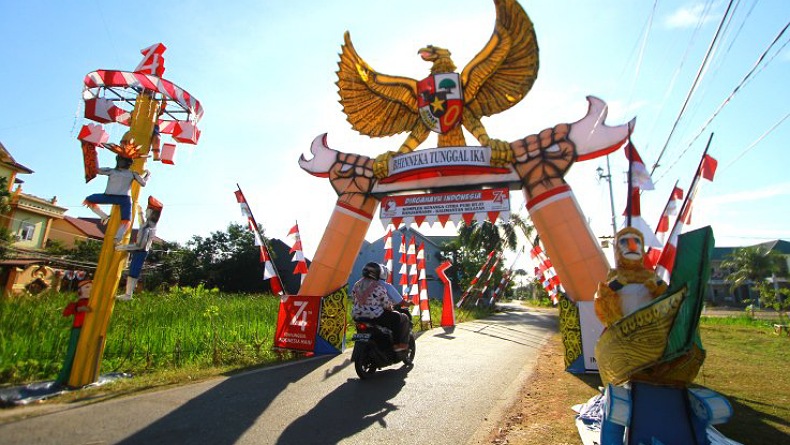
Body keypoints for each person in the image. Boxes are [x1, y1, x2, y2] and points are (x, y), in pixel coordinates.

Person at [83, 134, 150, 244]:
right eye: (120, 159)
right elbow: (95, 169)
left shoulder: (130, 173)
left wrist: (147, 176)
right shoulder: (113, 171)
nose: (121, 162)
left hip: (123, 199)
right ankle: (104, 216)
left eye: (123, 160)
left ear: (128, 162)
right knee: (89, 199)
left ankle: (118, 237)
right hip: (111, 196)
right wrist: (93, 152)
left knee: (126, 219)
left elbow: (143, 183)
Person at [352, 262, 410, 351]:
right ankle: (397, 345)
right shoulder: (378, 286)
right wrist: (390, 308)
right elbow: (386, 304)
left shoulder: (357, 284)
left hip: (357, 315)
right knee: (398, 318)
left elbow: (354, 299)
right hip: (375, 316)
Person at [116, 196, 163, 301]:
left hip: (140, 251)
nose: (146, 211)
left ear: (151, 212)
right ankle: (128, 294)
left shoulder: (148, 228)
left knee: (133, 272)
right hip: (141, 250)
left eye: (147, 210)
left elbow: (139, 245)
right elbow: (142, 224)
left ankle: (128, 294)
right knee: (132, 270)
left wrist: (123, 247)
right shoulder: (150, 225)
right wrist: (140, 213)